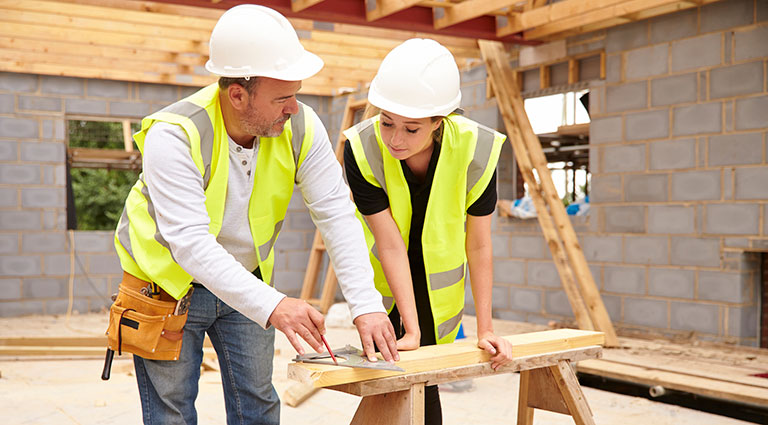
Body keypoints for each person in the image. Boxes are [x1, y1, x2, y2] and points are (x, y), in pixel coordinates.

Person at [112, 5, 398, 424]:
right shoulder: (174, 134)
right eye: (282, 98)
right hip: (166, 285)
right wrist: (276, 305)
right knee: (171, 412)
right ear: (238, 95)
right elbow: (189, 244)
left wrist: (366, 304)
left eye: (295, 94)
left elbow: (336, 212)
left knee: (259, 405)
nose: (294, 108)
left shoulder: (301, 126)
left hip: (245, 280)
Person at [343, 38, 513, 425]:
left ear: (441, 120)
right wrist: (411, 329)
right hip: (387, 286)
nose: (395, 139)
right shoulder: (362, 148)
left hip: (441, 297)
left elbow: (480, 243)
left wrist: (484, 329)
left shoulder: (476, 148)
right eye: (387, 122)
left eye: (411, 129)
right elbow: (389, 244)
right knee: (391, 385)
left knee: (424, 385)